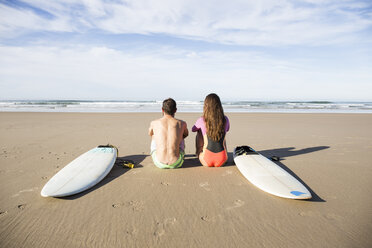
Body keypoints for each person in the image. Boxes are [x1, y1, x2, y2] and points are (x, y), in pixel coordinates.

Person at [149, 98, 189, 169]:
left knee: (153, 135)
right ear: (175, 110)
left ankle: (160, 153)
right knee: (181, 135)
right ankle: (175, 153)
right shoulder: (182, 123)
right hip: (177, 162)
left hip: (159, 162)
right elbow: (186, 134)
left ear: (162, 109)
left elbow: (150, 133)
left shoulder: (154, 123)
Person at [192, 93, 230, 167]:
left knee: (199, 131)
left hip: (206, 160)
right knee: (222, 133)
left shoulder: (202, 120)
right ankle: (225, 153)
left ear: (206, 106)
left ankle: (198, 153)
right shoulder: (225, 119)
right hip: (222, 160)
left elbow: (193, 129)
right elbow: (227, 129)